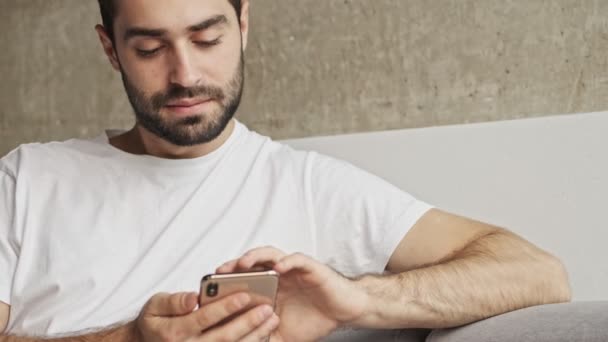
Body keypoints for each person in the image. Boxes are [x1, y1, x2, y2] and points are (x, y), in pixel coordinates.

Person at [0, 0, 571, 341]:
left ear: (243, 23)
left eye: (207, 38)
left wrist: (359, 299)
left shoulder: (310, 186)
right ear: (110, 49)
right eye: (150, 48)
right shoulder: (28, 179)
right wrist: (129, 339)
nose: (185, 74)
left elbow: (538, 274)